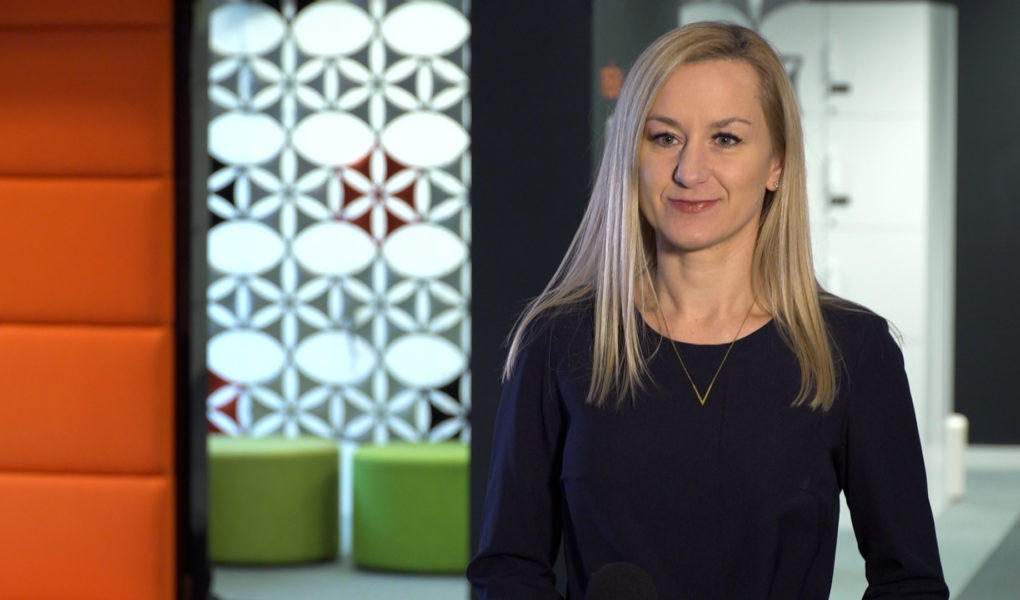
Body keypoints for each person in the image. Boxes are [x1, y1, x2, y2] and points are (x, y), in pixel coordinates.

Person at [466, 22, 949, 599]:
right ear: (631, 154)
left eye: (725, 139)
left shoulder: (852, 350)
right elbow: (509, 568)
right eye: (665, 137)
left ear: (776, 164)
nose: (689, 171)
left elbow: (910, 582)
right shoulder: (559, 341)